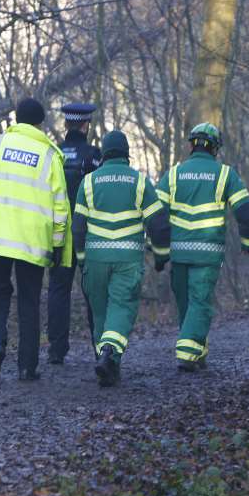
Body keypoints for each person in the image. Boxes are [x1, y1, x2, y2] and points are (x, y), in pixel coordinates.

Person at [0, 97, 70, 381]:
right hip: (31, 241)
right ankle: (27, 365)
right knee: (29, 299)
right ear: (39, 124)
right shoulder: (48, 155)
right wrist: (58, 244)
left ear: (16, 120)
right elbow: (60, 206)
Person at [156, 123, 249, 372]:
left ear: (191, 145)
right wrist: (248, 243)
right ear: (215, 148)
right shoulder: (225, 174)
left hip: (179, 253)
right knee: (199, 302)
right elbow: (247, 214)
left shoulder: (173, 174)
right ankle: (188, 353)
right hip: (207, 253)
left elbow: (157, 217)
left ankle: (193, 352)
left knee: (186, 304)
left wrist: (156, 249)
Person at [72, 130, 170, 386]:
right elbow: (159, 224)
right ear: (126, 154)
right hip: (127, 260)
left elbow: (79, 226)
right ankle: (108, 354)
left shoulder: (89, 182)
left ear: (104, 154)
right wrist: (160, 256)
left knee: (101, 312)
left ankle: (107, 364)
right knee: (122, 307)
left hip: (95, 259)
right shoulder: (139, 182)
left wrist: (81, 259)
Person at [47, 103, 102, 364]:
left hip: (57, 232)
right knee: (93, 290)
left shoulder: (53, 153)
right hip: (86, 233)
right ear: (85, 125)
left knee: (58, 290)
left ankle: (56, 351)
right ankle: (100, 348)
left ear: (67, 125)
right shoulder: (93, 155)